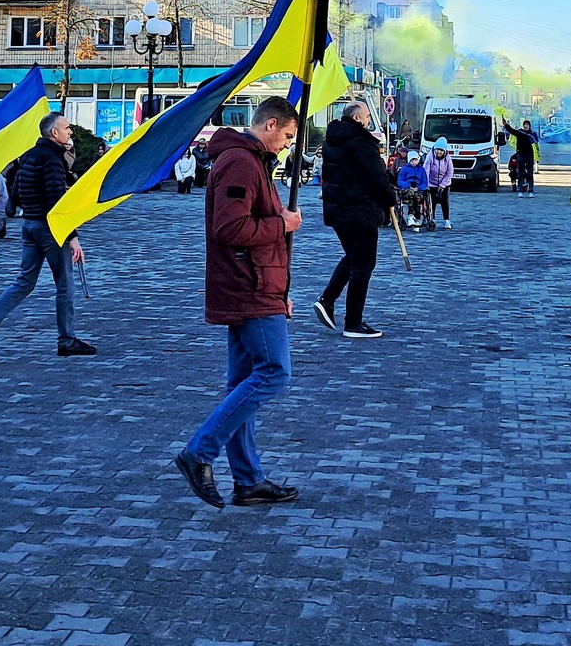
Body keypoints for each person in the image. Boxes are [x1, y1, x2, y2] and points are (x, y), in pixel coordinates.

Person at [174, 95, 305, 509]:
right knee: (274, 373)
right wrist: (280, 223)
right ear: (269, 125)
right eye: (286, 135)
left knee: (242, 382)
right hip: (250, 287)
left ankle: (248, 481)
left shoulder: (251, 161)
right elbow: (230, 229)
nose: (287, 144)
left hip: (257, 284)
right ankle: (199, 452)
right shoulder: (241, 162)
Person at [0, 112, 93, 358]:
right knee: (65, 284)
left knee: (24, 281)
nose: (70, 132)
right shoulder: (52, 159)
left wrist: (15, 209)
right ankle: (66, 340)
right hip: (49, 229)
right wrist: (72, 236)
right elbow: (57, 202)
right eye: (67, 128)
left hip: (30, 225)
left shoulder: (31, 156)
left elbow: (17, 189)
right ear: (54, 133)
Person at [315, 100, 397, 340]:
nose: (369, 120)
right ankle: (353, 322)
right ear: (358, 119)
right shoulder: (361, 142)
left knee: (353, 258)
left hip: (339, 212)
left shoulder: (333, 140)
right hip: (360, 212)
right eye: (368, 117)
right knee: (363, 265)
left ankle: (327, 300)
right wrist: (390, 198)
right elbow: (377, 178)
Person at [498, 119, 541, 194]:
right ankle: (520, 190)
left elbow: (536, 146)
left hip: (529, 155)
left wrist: (537, 158)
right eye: (524, 125)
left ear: (529, 126)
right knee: (520, 173)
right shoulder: (520, 132)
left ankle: (530, 190)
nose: (525, 126)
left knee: (530, 174)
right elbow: (512, 131)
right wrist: (506, 125)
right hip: (520, 155)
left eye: (527, 125)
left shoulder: (533, 134)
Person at [395, 150, 429, 225]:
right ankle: (411, 215)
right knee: (411, 194)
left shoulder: (421, 170)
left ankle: (417, 217)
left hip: (418, 189)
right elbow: (400, 181)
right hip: (407, 189)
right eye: (412, 160)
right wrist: (408, 185)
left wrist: (419, 187)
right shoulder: (404, 169)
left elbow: (424, 182)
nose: (414, 162)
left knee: (416, 196)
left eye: (416, 160)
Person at [424, 139, 454, 220]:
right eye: (438, 150)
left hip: (445, 183)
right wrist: (426, 184)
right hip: (431, 182)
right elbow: (426, 171)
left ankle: (446, 220)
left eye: (441, 150)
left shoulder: (448, 158)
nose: (439, 152)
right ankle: (432, 219)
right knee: (432, 202)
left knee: (445, 201)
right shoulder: (430, 156)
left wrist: (442, 185)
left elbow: (450, 172)